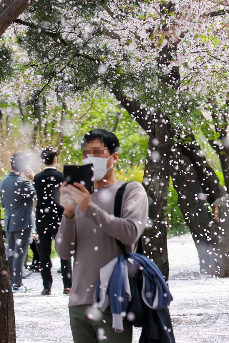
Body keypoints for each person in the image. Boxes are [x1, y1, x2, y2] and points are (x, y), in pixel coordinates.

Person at [55, 129, 148, 343]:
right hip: (78, 303)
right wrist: (69, 213)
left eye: (97, 152)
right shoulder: (80, 198)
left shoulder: (131, 190)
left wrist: (90, 209)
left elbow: (130, 232)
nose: (91, 159)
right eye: (86, 154)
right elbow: (64, 251)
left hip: (113, 300)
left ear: (114, 157)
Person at [34, 147, 72, 295]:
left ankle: (47, 286)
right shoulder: (62, 177)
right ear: (55, 159)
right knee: (64, 252)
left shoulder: (37, 178)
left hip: (43, 217)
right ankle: (67, 284)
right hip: (59, 217)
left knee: (44, 253)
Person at [0, 152, 36, 291]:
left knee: (11, 252)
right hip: (23, 222)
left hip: (9, 221)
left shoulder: (3, 182)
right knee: (20, 253)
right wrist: (32, 178)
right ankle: (17, 283)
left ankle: (9, 281)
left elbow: (4, 203)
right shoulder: (23, 182)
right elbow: (36, 195)